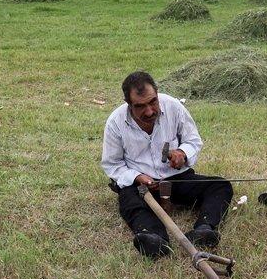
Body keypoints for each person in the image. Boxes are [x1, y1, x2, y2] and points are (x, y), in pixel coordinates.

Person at [100, 71, 233, 258]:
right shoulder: (116, 122)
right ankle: (153, 237)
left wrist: (182, 153)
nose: (149, 111)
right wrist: (137, 177)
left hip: (177, 178)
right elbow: (112, 164)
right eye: (140, 106)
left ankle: (204, 228)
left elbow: (193, 141)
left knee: (220, 186)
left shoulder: (173, 107)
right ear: (128, 104)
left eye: (153, 102)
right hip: (141, 185)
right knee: (129, 201)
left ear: (157, 93)